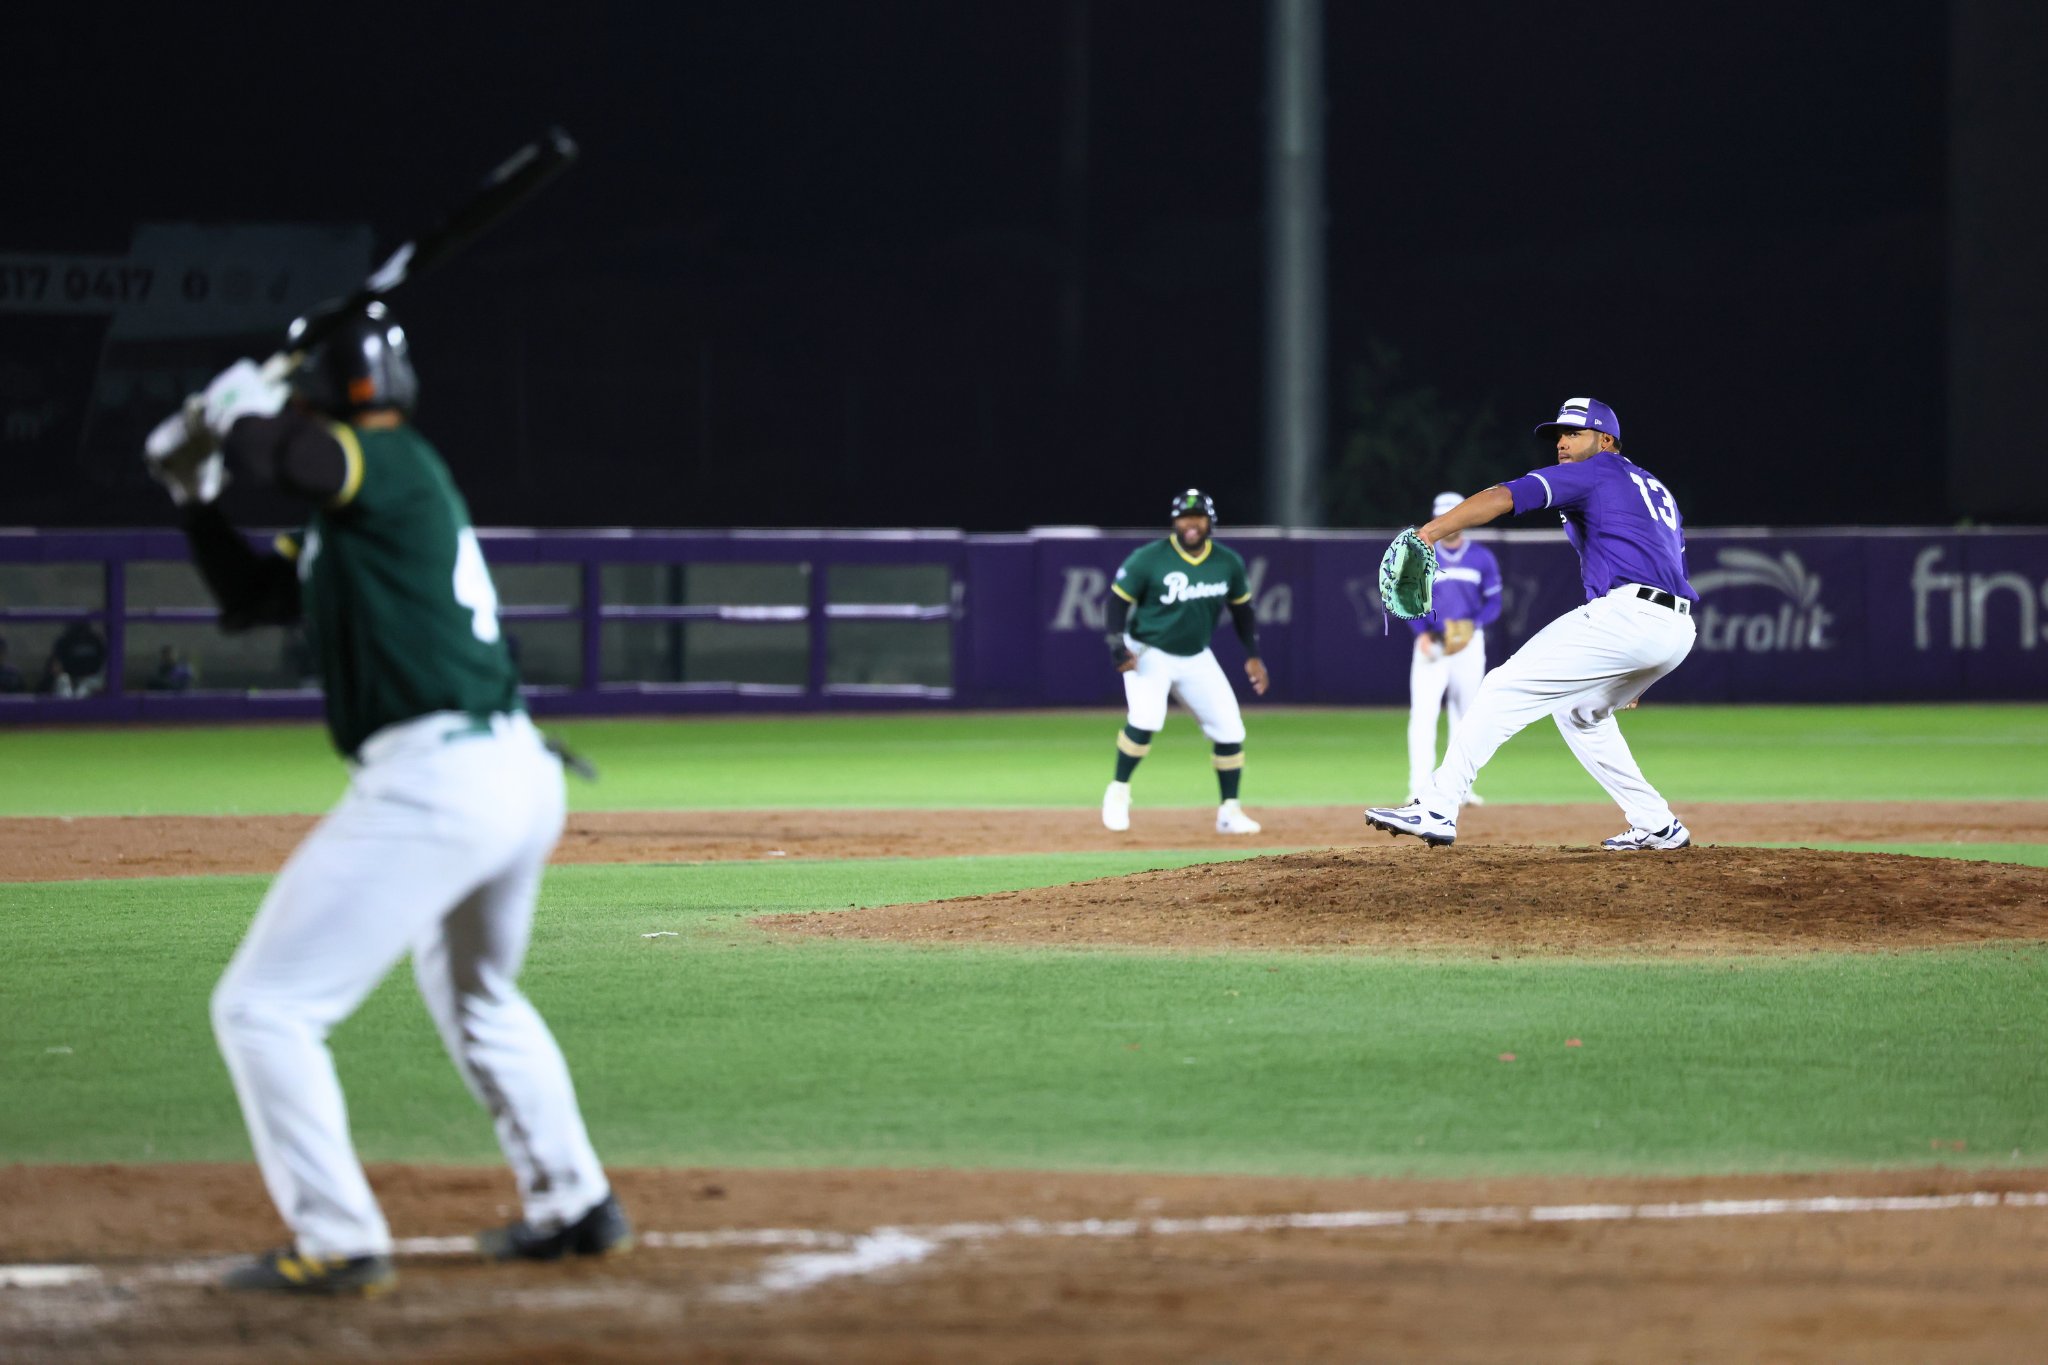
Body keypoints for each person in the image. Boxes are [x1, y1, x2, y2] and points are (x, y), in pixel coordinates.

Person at [142, 302, 626, 1297]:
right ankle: (576, 1203)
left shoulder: (389, 462)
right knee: (477, 997)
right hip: (501, 771)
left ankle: (339, 1237)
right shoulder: (351, 515)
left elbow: (292, 458)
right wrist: (195, 497)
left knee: (264, 1008)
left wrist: (234, 412)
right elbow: (250, 597)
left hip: (441, 778)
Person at [1366, 397, 1696, 850]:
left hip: (1630, 616)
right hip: (1674, 627)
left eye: (1574, 433)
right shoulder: (1652, 488)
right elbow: (1668, 566)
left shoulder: (1596, 472)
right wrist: (1633, 663)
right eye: (1558, 435)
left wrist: (1428, 533)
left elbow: (1503, 497)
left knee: (1501, 686)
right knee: (1582, 713)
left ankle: (1437, 807)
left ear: (1606, 441)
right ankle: (1657, 824)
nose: (1561, 443)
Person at [1101, 488, 1270, 835]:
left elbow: (1243, 611)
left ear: (1210, 522)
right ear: (1174, 521)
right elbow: (1116, 602)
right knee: (1146, 718)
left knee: (1230, 728)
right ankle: (1118, 791)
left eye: (1198, 517)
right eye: (1184, 517)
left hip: (1195, 656)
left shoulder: (1226, 562)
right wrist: (1117, 644)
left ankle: (1229, 812)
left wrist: (1252, 655)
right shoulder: (1149, 558)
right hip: (1149, 651)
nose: (1191, 523)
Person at [1403, 491, 1502, 805]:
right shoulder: (1421, 557)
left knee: (1467, 717)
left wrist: (1473, 626)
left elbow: (1494, 602)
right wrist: (1421, 633)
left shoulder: (1481, 557)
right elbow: (1409, 601)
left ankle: (1460, 788)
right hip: (1432, 643)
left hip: (1468, 644)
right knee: (1423, 715)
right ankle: (1419, 788)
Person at [51, 619, 108, 697]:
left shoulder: (95, 640)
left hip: (91, 679)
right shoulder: (64, 641)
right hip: (70, 679)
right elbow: (56, 666)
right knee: (63, 681)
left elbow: (104, 665)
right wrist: (70, 680)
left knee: (84, 689)